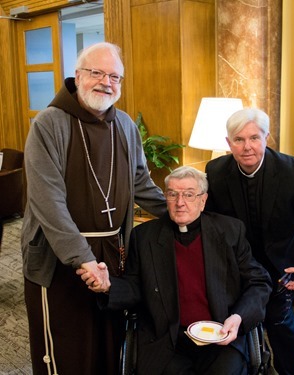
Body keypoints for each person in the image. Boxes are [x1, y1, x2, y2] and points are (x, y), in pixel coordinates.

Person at [21, 42, 167, 375]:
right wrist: (83, 259)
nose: (106, 81)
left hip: (113, 254)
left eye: (115, 76)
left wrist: (180, 210)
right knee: (67, 349)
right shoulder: (49, 124)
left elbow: (141, 184)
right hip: (61, 259)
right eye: (97, 72)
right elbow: (48, 202)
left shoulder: (126, 126)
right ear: (77, 75)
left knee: (107, 345)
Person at [78, 166, 272, 375]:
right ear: (166, 198)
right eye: (173, 194)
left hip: (220, 338)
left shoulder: (230, 231)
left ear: (203, 200)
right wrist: (108, 286)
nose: (180, 203)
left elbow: (259, 282)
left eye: (189, 194)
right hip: (166, 340)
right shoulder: (145, 236)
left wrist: (238, 318)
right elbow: (135, 287)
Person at [205, 107, 294, 375]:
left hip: (283, 269)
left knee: (280, 325)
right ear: (228, 144)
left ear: (267, 137)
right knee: (233, 324)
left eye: (254, 138)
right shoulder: (215, 171)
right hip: (238, 268)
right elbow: (211, 222)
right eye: (238, 140)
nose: (247, 147)